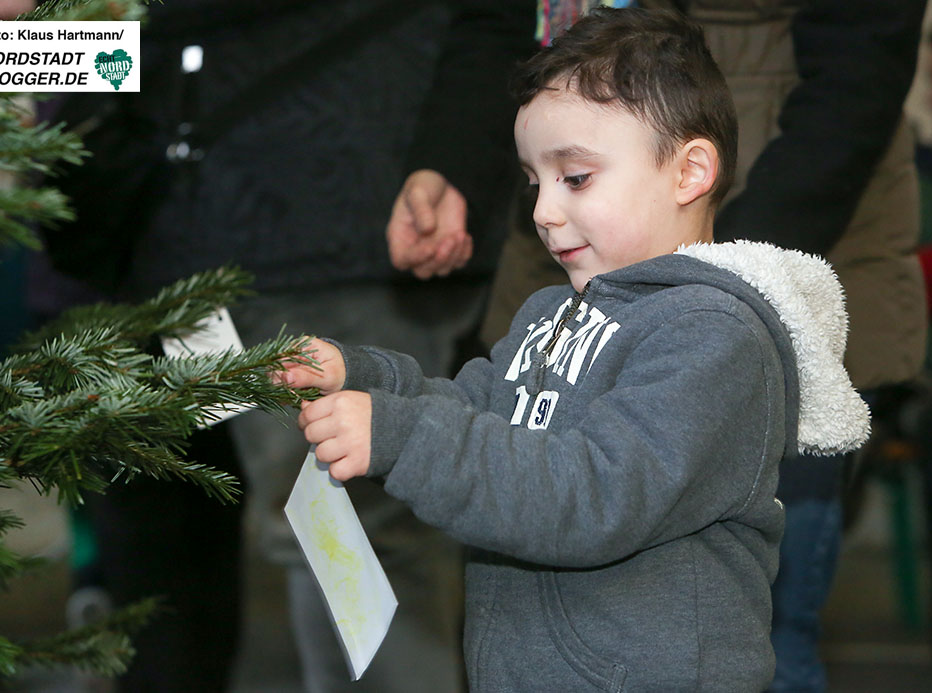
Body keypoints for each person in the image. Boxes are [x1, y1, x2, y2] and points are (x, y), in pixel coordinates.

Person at [281, 9, 870, 690]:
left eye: (576, 178)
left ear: (690, 172)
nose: (542, 211)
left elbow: (590, 494)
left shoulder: (713, 335)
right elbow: (476, 414)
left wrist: (402, 438)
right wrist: (364, 380)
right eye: (534, 181)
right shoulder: (550, 313)